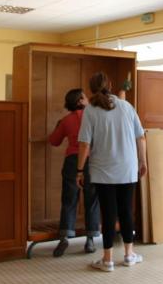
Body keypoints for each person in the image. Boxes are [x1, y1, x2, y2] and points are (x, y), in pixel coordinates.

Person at [77, 72, 147, 272]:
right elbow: (141, 137)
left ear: (91, 88)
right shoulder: (126, 106)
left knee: (108, 214)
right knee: (126, 211)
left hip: (102, 171)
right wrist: (143, 161)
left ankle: (107, 259)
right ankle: (129, 255)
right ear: (110, 84)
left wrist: (80, 170)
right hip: (127, 168)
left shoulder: (90, 110)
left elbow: (84, 144)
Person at [48, 88, 100, 257]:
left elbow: (54, 141)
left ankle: (64, 238)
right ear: (80, 101)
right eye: (85, 97)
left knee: (69, 199)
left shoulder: (66, 120)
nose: (87, 99)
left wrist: (58, 126)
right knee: (92, 200)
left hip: (72, 161)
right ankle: (90, 240)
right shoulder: (93, 117)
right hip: (91, 161)